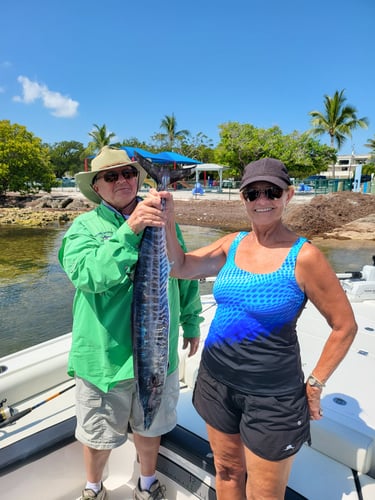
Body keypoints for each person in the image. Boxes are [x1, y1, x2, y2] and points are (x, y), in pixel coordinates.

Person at [163, 157, 357, 500]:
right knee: (227, 471)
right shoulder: (231, 243)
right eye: (253, 193)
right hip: (215, 382)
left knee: (264, 494)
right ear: (243, 198)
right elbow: (179, 266)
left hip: (273, 397)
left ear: (288, 195)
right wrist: (167, 220)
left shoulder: (305, 257)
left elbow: (344, 326)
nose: (262, 200)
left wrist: (314, 385)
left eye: (272, 191)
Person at [58, 146, 203, 500]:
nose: (122, 180)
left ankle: (147, 483)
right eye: (111, 176)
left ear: (138, 178)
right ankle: (94, 489)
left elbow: (182, 271)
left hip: (158, 352)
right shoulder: (83, 228)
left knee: (150, 427)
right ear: (98, 186)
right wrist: (132, 227)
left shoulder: (164, 220)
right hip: (105, 360)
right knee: (97, 435)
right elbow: (89, 276)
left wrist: (192, 320)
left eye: (128, 173)